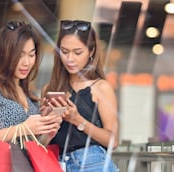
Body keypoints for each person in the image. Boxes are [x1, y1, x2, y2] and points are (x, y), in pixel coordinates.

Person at [0, 21, 62, 169]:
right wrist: (23, 128)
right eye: (20, 55)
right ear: (4, 53)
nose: (27, 62)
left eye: (31, 54)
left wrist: (47, 134)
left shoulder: (30, 94)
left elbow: (29, 150)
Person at [41, 20, 119, 172]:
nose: (70, 59)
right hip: (55, 163)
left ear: (91, 52)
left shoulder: (101, 88)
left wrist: (78, 121)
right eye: (64, 51)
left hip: (92, 164)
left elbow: (113, 141)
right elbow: (43, 143)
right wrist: (47, 124)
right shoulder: (50, 89)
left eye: (77, 52)